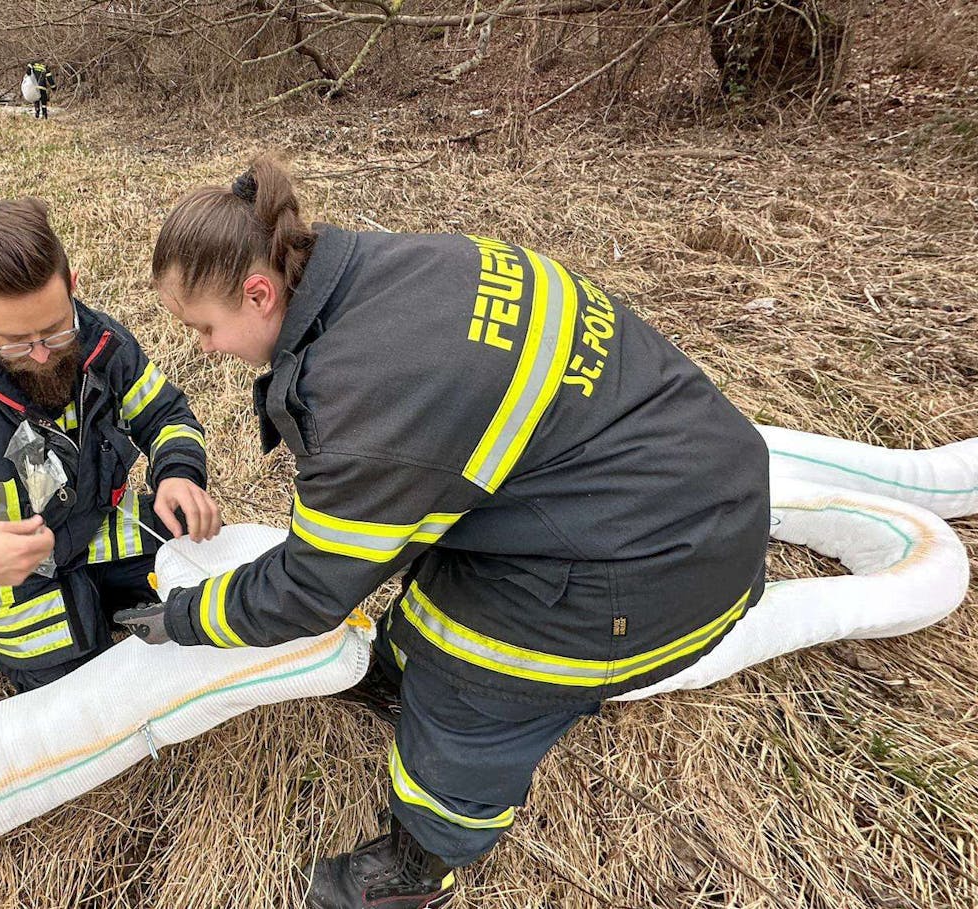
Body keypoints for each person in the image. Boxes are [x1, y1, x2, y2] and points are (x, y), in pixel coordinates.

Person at [117, 157, 771, 908]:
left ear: (259, 293)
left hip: (661, 563)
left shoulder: (367, 401)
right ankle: (402, 671)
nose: (203, 348)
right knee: (436, 588)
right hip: (688, 477)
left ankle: (418, 866)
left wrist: (185, 617)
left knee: (472, 673)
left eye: (203, 327)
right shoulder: (394, 267)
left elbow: (309, 588)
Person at [0, 199, 221, 692]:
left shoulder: (104, 344)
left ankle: (103, 596)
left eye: (55, 330)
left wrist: (179, 473)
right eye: (14, 341)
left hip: (96, 525)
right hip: (16, 578)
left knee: (206, 574)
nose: (43, 354)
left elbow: (166, 416)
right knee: (90, 698)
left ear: (72, 285)